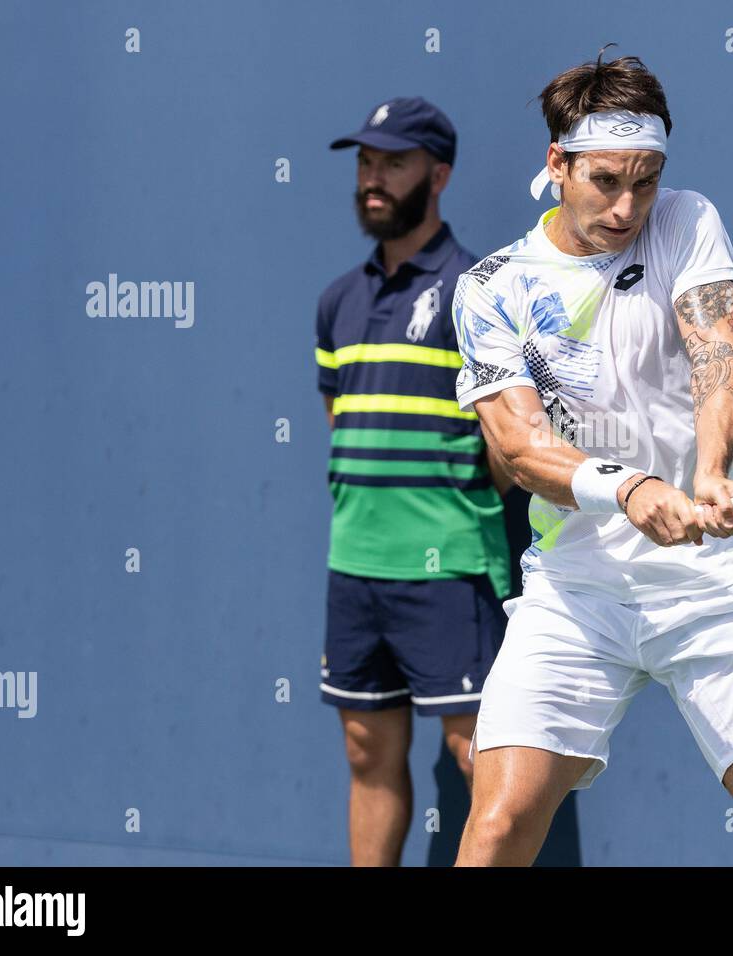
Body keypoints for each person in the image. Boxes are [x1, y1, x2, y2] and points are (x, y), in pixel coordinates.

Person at [449, 50, 733, 866]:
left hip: (713, 590)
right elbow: (519, 446)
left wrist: (709, 468)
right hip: (576, 594)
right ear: (557, 163)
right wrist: (627, 488)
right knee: (494, 836)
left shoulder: (688, 221)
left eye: (646, 180)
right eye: (605, 181)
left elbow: (720, 355)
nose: (629, 206)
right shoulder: (491, 287)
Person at [316, 96, 516, 866]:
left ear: (438, 175)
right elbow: (341, 420)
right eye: (366, 163)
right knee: (367, 751)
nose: (373, 178)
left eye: (392, 163)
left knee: (481, 757)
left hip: (450, 567)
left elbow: (507, 442)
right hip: (355, 567)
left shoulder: (477, 292)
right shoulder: (337, 300)